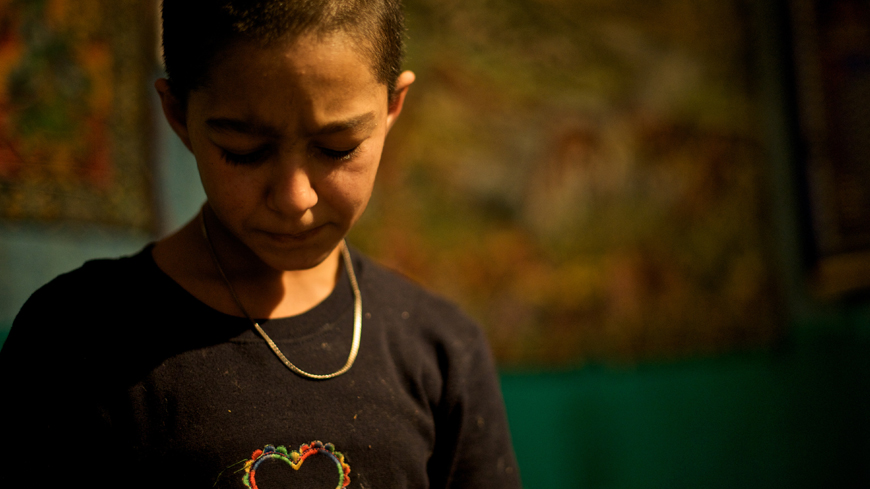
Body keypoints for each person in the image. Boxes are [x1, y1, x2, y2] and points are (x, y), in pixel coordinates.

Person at [0, 1, 521, 488]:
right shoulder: (79, 339)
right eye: (244, 152)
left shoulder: (442, 352)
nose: (295, 198)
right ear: (179, 115)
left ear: (392, 107)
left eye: (336, 149)